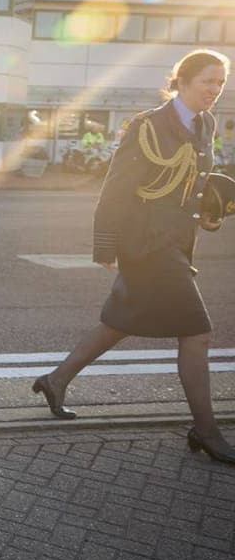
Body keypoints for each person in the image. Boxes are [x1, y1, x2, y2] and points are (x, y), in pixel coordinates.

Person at [32, 49, 233, 465]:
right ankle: (206, 429)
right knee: (197, 334)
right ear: (182, 80)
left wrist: (208, 211)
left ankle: (56, 380)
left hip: (177, 241)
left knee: (119, 323)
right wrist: (105, 246)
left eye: (221, 82)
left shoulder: (206, 123)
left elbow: (191, 180)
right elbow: (115, 189)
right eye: (207, 82)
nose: (215, 90)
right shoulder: (147, 125)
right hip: (146, 244)